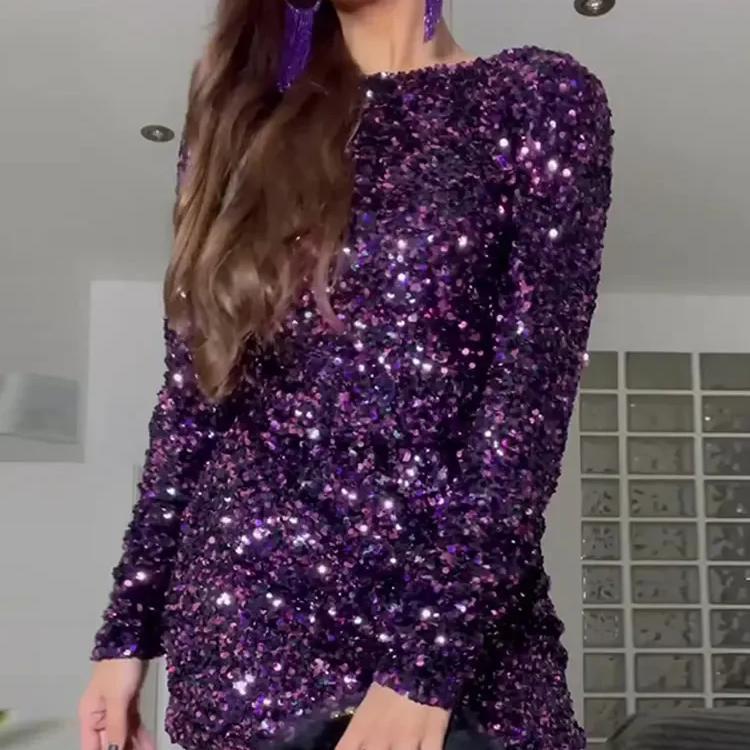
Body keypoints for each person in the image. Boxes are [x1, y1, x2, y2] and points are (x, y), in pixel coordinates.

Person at [78, 1, 613, 748]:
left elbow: (528, 405)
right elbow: (193, 399)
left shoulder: (537, 97)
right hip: (249, 632)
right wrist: (125, 633)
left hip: (464, 620)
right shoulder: (244, 112)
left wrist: (427, 665)